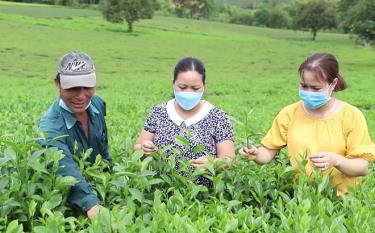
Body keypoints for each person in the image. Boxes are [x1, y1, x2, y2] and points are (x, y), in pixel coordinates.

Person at [240, 53, 374, 196]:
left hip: (341, 202)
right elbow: (267, 153)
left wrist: (336, 160)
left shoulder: (351, 116)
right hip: (301, 197)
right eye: (304, 86)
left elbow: (362, 167)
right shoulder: (289, 113)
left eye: (316, 88)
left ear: (333, 84)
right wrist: (255, 155)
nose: (308, 92)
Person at [134, 57, 235, 185]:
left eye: (195, 88)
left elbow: (229, 160)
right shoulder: (158, 111)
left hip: (202, 196)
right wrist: (143, 149)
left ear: (204, 85)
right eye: (182, 87)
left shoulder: (218, 117)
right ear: (173, 83)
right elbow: (137, 147)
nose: (188, 92)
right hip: (161, 192)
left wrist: (212, 163)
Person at [39, 52, 111, 218]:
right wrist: (92, 204)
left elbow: (104, 150)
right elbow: (65, 169)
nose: (81, 96)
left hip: (100, 185)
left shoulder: (98, 104)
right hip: (72, 202)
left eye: (87, 87)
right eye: (72, 88)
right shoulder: (49, 127)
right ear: (58, 84)